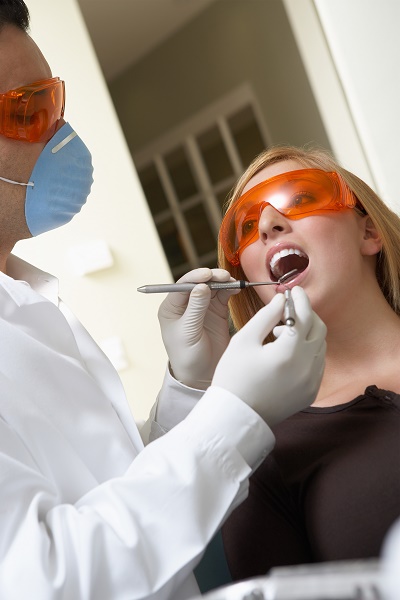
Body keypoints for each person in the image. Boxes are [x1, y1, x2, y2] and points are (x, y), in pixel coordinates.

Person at [0, 2, 327, 599]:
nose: (59, 132)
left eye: (55, 101)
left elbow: (116, 487)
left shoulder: (27, 300)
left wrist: (189, 388)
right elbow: (47, 579)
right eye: (29, 110)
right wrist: (236, 415)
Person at [212, 145, 400, 580]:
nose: (267, 226)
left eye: (299, 199)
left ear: (369, 233)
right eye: (246, 225)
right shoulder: (265, 452)